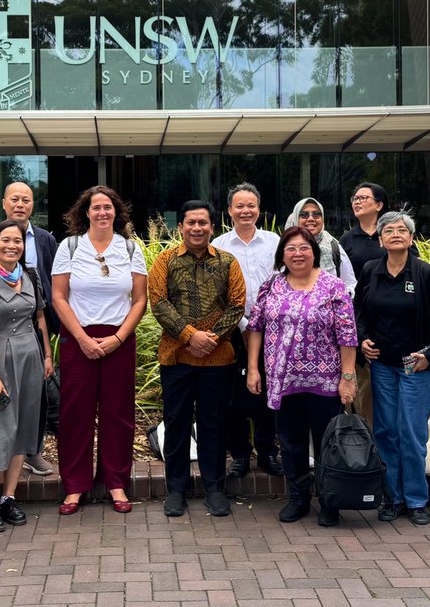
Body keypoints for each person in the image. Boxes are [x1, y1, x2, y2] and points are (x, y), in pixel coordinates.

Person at [246, 227, 357, 527]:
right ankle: (298, 498)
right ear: (282, 254)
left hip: (325, 381)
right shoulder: (272, 285)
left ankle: (329, 501)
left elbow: (347, 333)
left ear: (314, 252)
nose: (297, 253)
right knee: (291, 442)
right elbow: (255, 326)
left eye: (304, 248)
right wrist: (254, 368)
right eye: (291, 248)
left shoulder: (333, 286)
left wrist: (348, 377)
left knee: (326, 444)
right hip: (283, 379)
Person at [50, 186, 148, 515]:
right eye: (96, 208)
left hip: (119, 338)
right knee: (75, 413)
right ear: (86, 212)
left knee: (117, 413)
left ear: (116, 212)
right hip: (79, 338)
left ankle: (116, 482)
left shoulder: (131, 249)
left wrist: (119, 338)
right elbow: (59, 297)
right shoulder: (70, 246)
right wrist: (81, 338)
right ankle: (75, 486)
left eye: (108, 207)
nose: (103, 213)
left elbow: (140, 300)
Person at [354, 210, 430, 526]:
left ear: (411, 238)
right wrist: (363, 339)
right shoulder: (371, 271)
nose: (395, 234)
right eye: (389, 230)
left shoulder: (424, 273)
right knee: (385, 430)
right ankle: (392, 497)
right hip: (382, 363)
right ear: (381, 239)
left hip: (415, 363)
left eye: (402, 230)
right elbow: (358, 310)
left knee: (411, 432)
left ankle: (415, 499)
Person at [148, 199, 246, 518]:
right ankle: (176, 489)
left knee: (213, 424)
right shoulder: (165, 260)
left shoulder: (228, 262)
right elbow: (159, 303)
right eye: (191, 222)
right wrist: (191, 336)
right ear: (181, 227)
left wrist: (209, 339)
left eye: (203, 222)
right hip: (176, 357)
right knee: (176, 423)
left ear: (212, 227)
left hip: (217, 360)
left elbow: (236, 305)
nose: (197, 228)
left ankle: (214, 487)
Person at [0, 221, 54, 532]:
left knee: (23, 427)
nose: (12, 246)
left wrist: (47, 355)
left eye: (17, 241)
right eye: (5, 240)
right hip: (0, 361)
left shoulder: (29, 276)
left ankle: (8, 496)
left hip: (31, 357)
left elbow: (40, 317)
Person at [0, 181, 58, 476]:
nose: (20, 204)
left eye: (26, 200)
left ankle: (32, 450)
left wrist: (49, 334)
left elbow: (51, 282)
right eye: (14, 199)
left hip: (36, 326)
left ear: (32, 205)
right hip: (1, 328)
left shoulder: (45, 239)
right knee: (3, 393)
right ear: (4, 203)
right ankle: (0, 454)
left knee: (35, 393)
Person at [211, 183, 283, 480]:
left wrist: (262, 324)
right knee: (233, 396)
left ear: (259, 208)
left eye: (251, 205)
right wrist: (242, 326)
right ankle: (239, 453)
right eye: (239, 206)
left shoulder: (274, 241)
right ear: (230, 211)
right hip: (232, 331)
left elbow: (283, 282)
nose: (245, 211)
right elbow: (217, 292)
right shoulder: (219, 245)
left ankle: (267, 451)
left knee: (269, 391)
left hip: (273, 330)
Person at [286, 197, 357, 293]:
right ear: (295, 218)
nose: (311, 219)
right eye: (304, 215)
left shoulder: (333, 246)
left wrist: (339, 300)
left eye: (316, 214)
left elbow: (349, 283)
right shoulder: (285, 248)